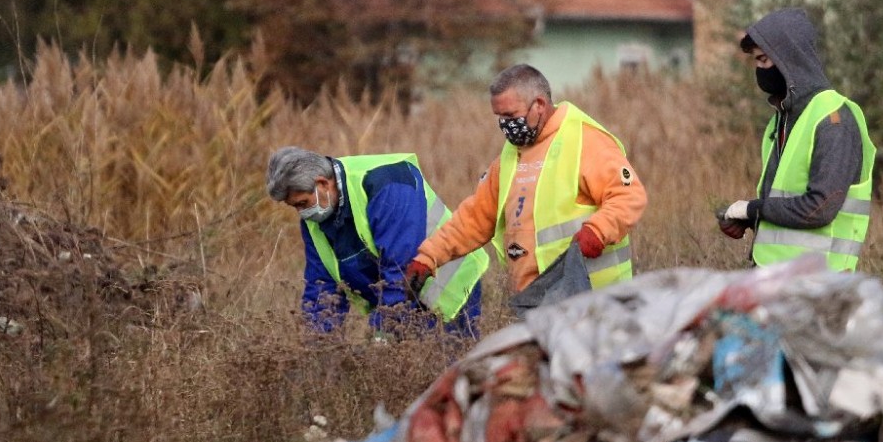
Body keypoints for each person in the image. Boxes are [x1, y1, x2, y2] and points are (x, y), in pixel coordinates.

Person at [404, 64, 646, 298]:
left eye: (511, 115)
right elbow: (473, 218)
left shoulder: (584, 140)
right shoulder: (509, 157)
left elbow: (629, 196)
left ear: (539, 105)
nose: (505, 125)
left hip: (597, 299)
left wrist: (597, 231)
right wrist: (428, 258)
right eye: (499, 117)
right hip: (535, 301)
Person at [266, 147, 487, 336]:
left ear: (322, 183)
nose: (302, 212)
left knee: (450, 375)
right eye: (294, 206)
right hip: (400, 296)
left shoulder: (386, 183)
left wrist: (384, 331)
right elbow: (321, 287)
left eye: (303, 203)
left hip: (448, 286)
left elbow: (399, 269)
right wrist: (317, 347)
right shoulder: (315, 219)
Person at [717, 7, 875, 270]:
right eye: (756, 61)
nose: (759, 70)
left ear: (789, 59)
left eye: (764, 60)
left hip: (820, 283)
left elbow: (819, 208)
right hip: (779, 277)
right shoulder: (783, 119)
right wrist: (749, 219)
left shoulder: (834, 119)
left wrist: (754, 209)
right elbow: (784, 200)